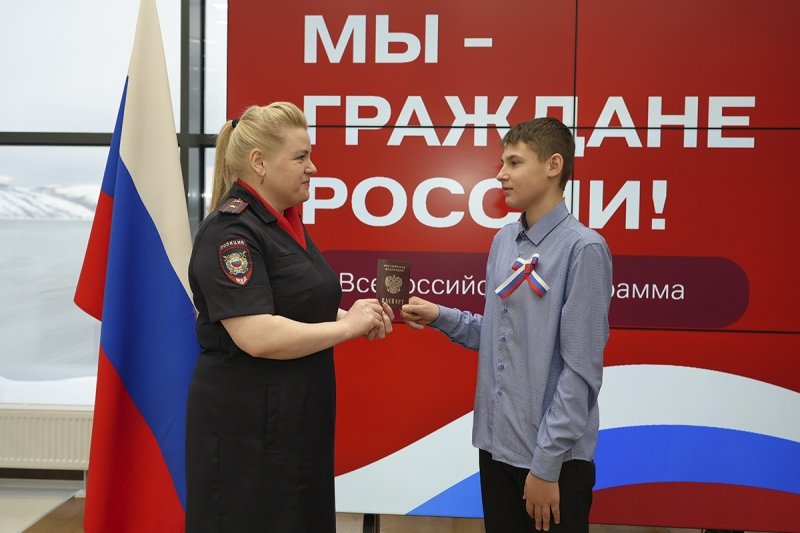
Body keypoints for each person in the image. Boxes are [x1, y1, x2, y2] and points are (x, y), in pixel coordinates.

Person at [185, 102, 393, 532]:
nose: (312, 167)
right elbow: (257, 334)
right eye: (300, 157)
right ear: (259, 162)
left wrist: (356, 316)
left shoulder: (283, 223)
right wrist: (346, 327)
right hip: (248, 434)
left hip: (294, 425)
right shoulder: (230, 231)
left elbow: (299, 304)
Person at [402, 117, 612, 532]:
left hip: (551, 462)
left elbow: (580, 373)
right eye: (502, 163)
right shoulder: (503, 241)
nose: (501, 174)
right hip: (497, 450)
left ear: (553, 166)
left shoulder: (583, 249)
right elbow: (500, 336)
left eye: (514, 163)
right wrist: (440, 316)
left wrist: (546, 466)